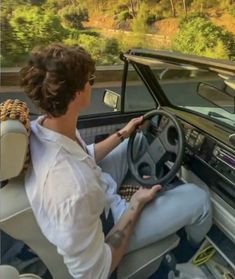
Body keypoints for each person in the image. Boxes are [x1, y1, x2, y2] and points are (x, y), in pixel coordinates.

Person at [20, 44, 212, 279]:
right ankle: (187, 253)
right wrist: (136, 204)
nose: (93, 84)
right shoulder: (71, 188)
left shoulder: (46, 128)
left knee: (140, 139)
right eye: (91, 79)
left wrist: (123, 133)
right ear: (78, 93)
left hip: (99, 192)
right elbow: (95, 272)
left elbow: (83, 155)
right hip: (110, 222)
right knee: (199, 198)